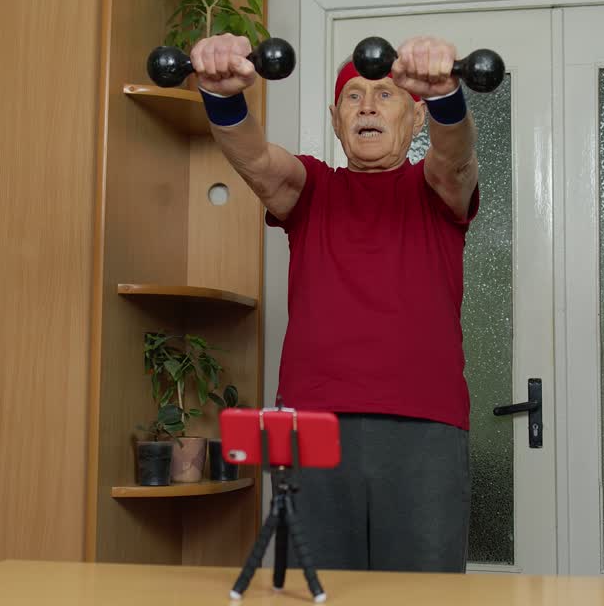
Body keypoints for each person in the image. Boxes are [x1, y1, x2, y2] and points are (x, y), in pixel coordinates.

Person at [191, 33, 479, 573]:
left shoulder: (435, 188)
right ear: (335, 118)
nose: (368, 105)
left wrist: (444, 95)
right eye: (353, 96)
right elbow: (254, 159)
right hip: (311, 427)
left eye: (386, 95)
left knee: (422, 598)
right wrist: (222, 95)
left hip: (425, 428)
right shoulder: (312, 188)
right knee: (314, 590)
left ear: (416, 119)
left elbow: (456, 157)